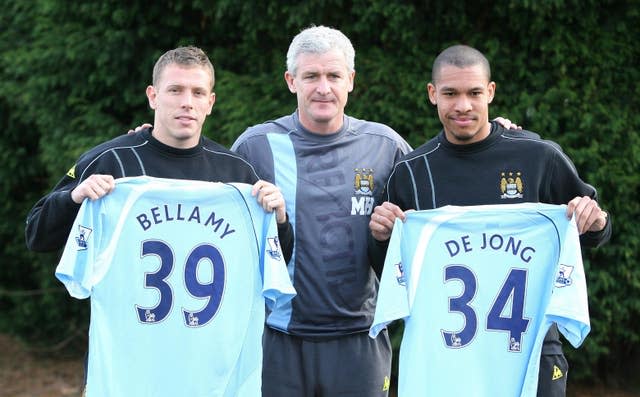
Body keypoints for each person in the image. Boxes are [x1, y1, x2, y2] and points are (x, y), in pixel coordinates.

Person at [231, 26, 519, 396]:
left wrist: (496, 141)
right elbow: (207, 195)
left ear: (351, 80)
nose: (324, 88)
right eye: (311, 76)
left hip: (360, 339)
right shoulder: (256, 146)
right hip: (278, 338)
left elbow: (443, 182)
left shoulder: (384, 145)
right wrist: (148, 142)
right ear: (291, 81)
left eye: (334, 75)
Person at [369, 44, 612, 397]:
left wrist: (596, 222)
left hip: (530, 350)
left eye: (474, 93)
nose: (463, 106)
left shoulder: (538, 157)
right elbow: (389, 270)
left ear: (491, 92)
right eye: (450, 93)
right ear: (432, 94)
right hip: (446, 355)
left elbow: (593, 231)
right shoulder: (410, 173)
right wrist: (380, 237)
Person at [25, 46, 293, 260]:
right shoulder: (111, 160)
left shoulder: (236, 172)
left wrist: (279, 220)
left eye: (198, 93)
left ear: (210, 103)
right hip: (127, 328)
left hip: (209, 329)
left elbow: (276, 260)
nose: (187, 103)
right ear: (153, 96)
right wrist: (74, 198)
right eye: (175, 90)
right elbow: (37, 236)